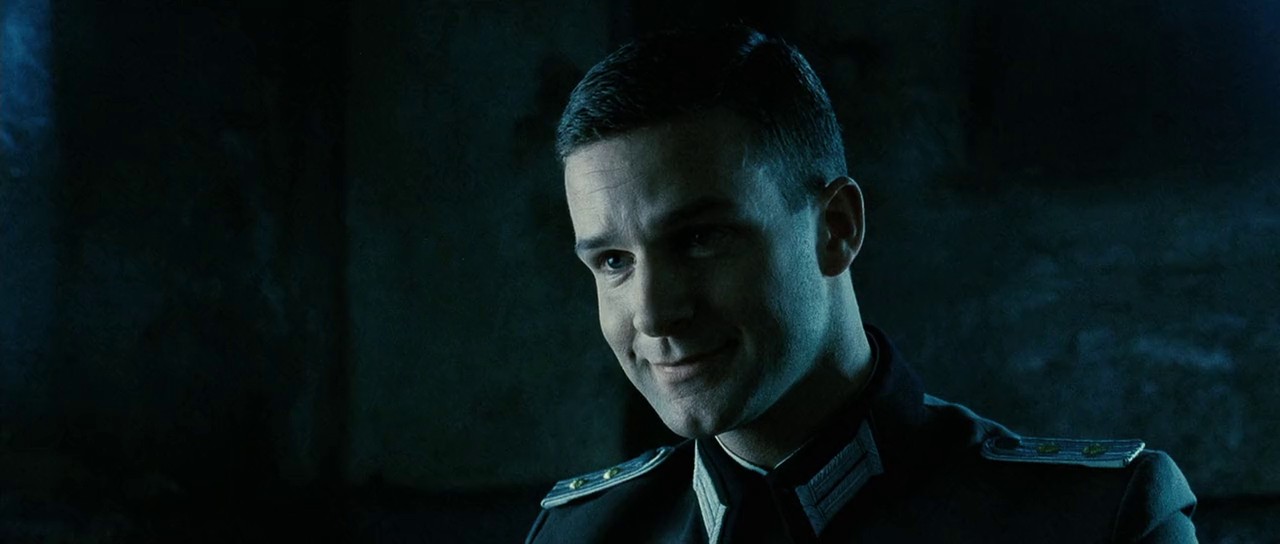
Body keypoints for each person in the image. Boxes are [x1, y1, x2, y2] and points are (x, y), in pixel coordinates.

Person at [525, 25, 1197, 543]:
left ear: (836, 228)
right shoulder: (577, 536)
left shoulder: (1093, 523)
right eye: (612, 261)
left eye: (700, 239)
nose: (653, 313)